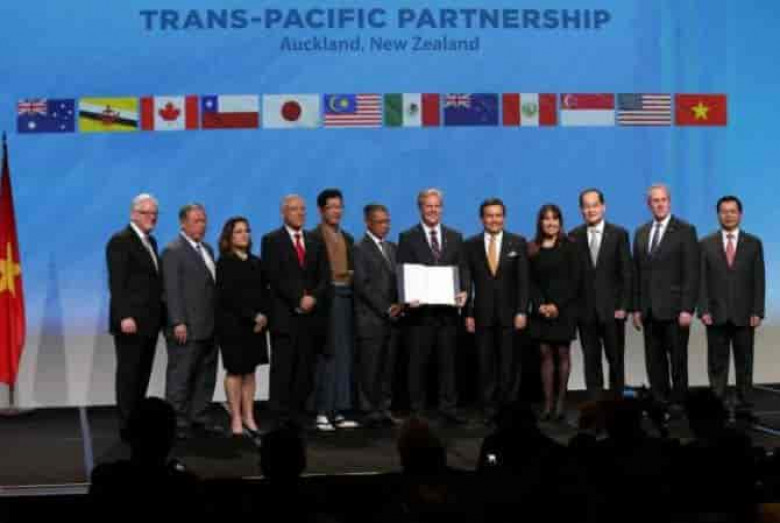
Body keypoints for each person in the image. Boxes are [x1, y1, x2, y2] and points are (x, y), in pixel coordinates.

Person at [397, 188, 469, 425]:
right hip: (420, 314)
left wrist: (464, 291)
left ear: (442, 208)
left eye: (437, 206)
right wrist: (407, 297)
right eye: (428, 206)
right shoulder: (407, 237)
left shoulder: (455, 237)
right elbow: (402, 271)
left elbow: (463, 269)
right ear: (420, 208)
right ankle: (417, 411)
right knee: (418, 364)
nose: (433, 210)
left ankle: (449, 408)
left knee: (448, 363)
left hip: (447, 314)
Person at [261, 195, 330, 429]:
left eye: (302, 209)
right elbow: (273, 276)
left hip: (311, 317)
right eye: (294, 209)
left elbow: (324, 276)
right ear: (283, 213)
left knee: (304, 370)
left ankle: (299, 414)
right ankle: (279, 418)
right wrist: (298, 299)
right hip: (285, 316)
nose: (300, 213)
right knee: (283, 369)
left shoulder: (315, 240)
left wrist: (313, 297)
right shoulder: (271, 240)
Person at [632, 184, 699, 412]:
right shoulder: (641, 232)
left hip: (675, 310)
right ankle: (659, 401)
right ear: (648, 204)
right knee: (654, 361)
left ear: (669, 202)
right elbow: (637, 273)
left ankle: (679, 403)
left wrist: (687, 308)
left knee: (677, 360)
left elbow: (691, 272)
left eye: (663, 200)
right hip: (649, 310)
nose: (660, 204)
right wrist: (636, 308)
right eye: (655, 200)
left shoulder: (685, 230)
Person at [463, 198, 529, 425]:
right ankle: (488, 410)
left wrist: (522, 311)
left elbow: (523, 281)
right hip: (482, 315)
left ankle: (508, 409)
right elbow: (467, 282)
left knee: (509, 364)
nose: (494, 219)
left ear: (504, 217)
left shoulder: (517, 242)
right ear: (482, 219)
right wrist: (468, 313)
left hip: (510, 315)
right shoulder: (470, 244)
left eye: (498, 215)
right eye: (489, 215)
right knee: (485, 364)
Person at [698, 195, 765, 419]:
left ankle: (745, 404)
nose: (728, 215)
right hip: (715, 314)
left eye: (732, 211)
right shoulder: (705, 244)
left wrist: (757, 311)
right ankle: (717, 404)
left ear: (740, 214)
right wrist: (703, 310)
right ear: (718, 215)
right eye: (724, 211)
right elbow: (702, 280)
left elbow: (759, 280)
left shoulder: (754, 243)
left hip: (745, 314)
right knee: (717, 363)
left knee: (744, 362)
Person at [105, 193, 163, 441]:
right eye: (146, 213)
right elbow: (117, 284)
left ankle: (137, 423)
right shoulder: (120, 241)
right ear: (133, 214)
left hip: (150, 322)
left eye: (155, 214)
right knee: (129, 376)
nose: (152, 217)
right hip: (130, 323)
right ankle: (126, 426)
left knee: (142, 375)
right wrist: (124, 316)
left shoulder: (152, 242)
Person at [161, 203, 221, 439]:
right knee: (181, 377)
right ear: (183, 223)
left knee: (205, 375)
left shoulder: (207, 249)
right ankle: (176, 421)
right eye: (196, 221)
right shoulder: (173, 250)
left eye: (203, 220)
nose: (202, 225)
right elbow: (171, 290)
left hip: (209, 325)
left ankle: (199, 417)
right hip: (186, 327)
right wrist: (178, 321)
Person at [570, 188, 632, 399]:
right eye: (586, 206)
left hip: (613, 311)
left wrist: (623, 306)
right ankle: (595, 404)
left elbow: (626, 273)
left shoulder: (619, 234)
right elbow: (574, 278)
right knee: (591, 360)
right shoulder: (574, 236)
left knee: (616, 360)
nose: (591, 210)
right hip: (586, 312)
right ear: (581, 210)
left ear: (603, 207)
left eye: (595, 205)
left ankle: (617, 403)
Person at [308, 189, 359, 431]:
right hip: (324, 302)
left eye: (340, 207)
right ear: (321, 210)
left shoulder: (347, 238)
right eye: (332, 207)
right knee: (326, 356)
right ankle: (321, 410)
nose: (337, 211)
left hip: (346, 298)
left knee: (343, 355)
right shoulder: (313, 237)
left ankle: (338, 409)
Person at [215, 217, 269, 437]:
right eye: (238, 231)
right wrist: (252, 316)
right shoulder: (224, 263)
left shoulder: (256, 262)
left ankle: (249, 415)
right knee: (235, 371)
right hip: (233, 325)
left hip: (256, 326)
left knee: (250, 371)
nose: (244, 235)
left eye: (246, 230)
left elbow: (264, 292)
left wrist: (263, 316)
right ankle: (235, 417)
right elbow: (228, 297)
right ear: (229, 236)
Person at [528, 204, 581, 420]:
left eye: (554, 218)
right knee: (545, 355)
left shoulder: (570, 246)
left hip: (564, 309)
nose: (551, 222)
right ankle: (548, 404)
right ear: (540, 222)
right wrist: (540, 304)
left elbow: (575, 280)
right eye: (546, 218)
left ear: (560, 222)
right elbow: (530, 281)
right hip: (540, 310)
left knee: (562, 353)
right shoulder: (532, 248)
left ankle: (560, 403)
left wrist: (556, 305)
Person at [352, 203, 402, 428]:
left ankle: (384, 408)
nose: (385, 226)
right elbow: (363, 286)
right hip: (371, 319)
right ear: (368, 223)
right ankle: (368, 411)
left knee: (387, 368)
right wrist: (387, 308)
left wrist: (402, 303)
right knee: (370, 368)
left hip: (392, 319)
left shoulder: (392, 248)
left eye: (387, 221)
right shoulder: (359, 248)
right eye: (380, 222)